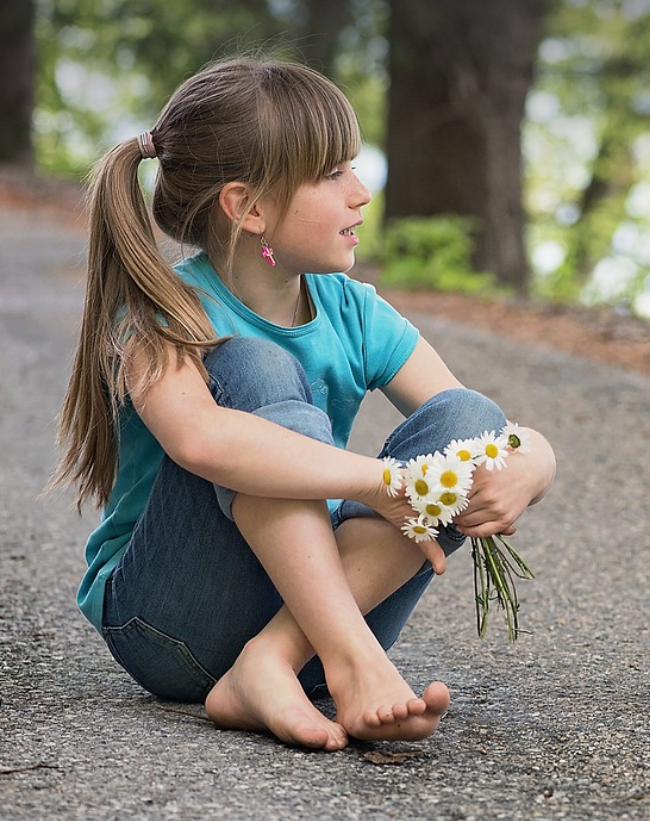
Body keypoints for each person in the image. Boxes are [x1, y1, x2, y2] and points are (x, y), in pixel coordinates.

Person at [49, 57, 557, 752]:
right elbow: (200, 441)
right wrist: (382, 482)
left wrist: (533, 460)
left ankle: (274, 660)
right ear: (248, 207)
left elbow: (478, 425)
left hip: (314, 621)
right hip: (174, 625)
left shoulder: (353, 311)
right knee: (255, 366)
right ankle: (348, 658)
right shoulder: (162, 312)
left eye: (353, 167)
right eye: (331, 175)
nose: (361, 194)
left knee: (468, 419)